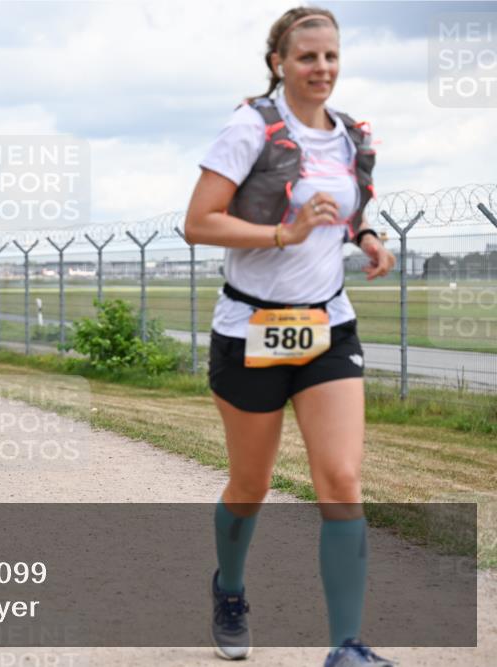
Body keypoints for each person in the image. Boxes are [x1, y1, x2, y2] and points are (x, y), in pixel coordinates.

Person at [183, 7, 397, 667]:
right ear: (279, 62)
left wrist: (363, 236)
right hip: (251, 328)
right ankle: (230, 588)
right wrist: (285, 233)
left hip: (327, 325)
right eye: (308, 57)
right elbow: (198, 222)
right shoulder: (249, 128)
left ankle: (348, 646)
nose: (322, 69)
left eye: (331, 56)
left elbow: (349, 204)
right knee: (250, 483)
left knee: (340, 476)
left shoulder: (352, 135)